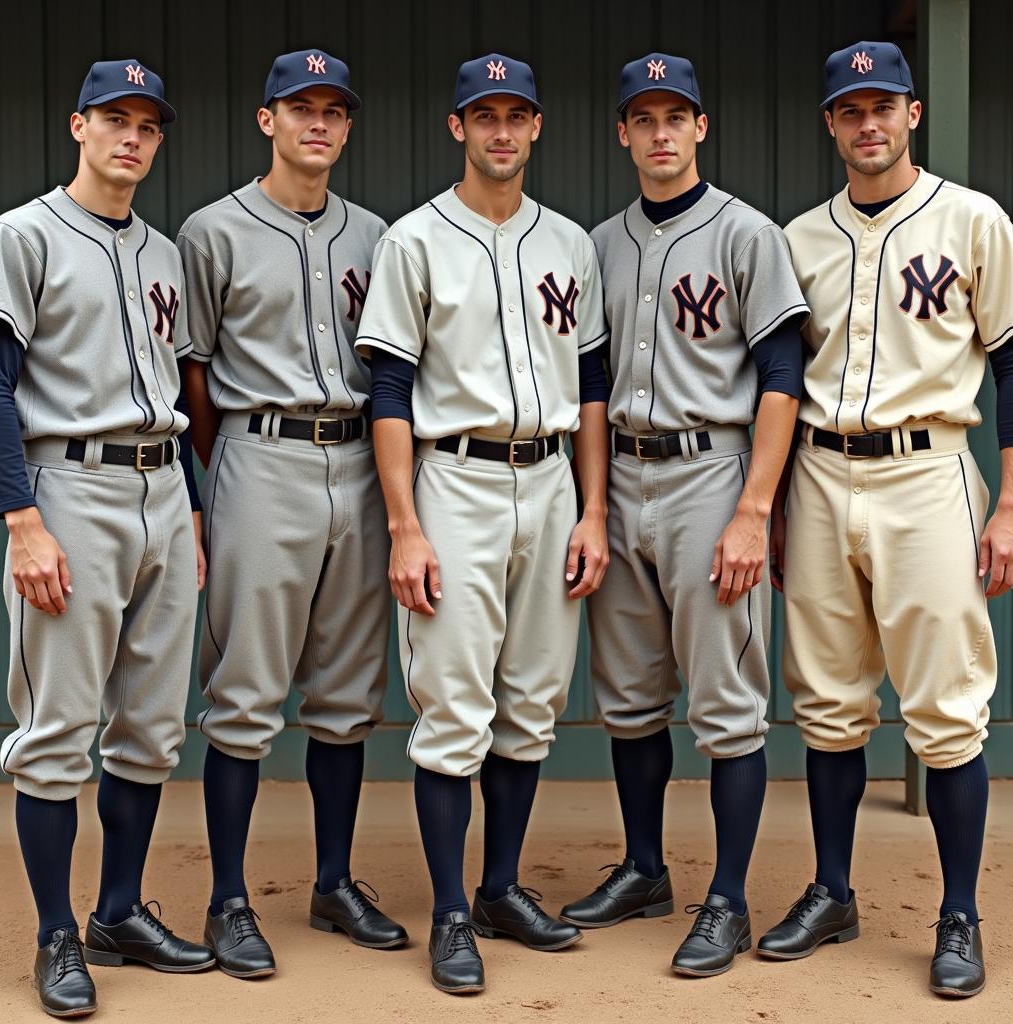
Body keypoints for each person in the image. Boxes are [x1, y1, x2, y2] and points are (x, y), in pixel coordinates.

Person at [757, 40, 1013, 1000]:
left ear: (913, 114)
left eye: (884, 105)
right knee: (827, 702)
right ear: (831, 124)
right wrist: (770, 503)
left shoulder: (975, 219)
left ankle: (959, 915)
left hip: (927, 471)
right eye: (850, 108)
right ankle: (831, 892)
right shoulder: (798, 238)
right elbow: (779, 381)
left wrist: (1012, 505)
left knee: (947, 711)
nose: (868, 122)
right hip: (821, 474)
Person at [355, 52, 611, 994]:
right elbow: (388, 386)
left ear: (537, 126)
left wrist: (594, 509)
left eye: (517, 114)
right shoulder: (415, 240)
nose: (501, 130)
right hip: (453, 479)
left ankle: (503, 886)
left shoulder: (570, 243)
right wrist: (404, 525)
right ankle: (453, 912)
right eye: (483, 115)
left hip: (550, 480)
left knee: (532, 700)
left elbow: (589, 385)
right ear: (456, 127)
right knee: (454, 707)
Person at [558, 53, 808, 978]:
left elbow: (783, 376)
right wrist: (593, 505)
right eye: (643, 117)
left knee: (728, 708)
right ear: (622, 132)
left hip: (713, 473)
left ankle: (730, 901)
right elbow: (587, 380)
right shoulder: (599, 243)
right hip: (621, 476)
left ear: (702, 127)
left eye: (677, 115)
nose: (661, 131)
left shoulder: (749, 233)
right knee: (628, 701)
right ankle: (644, 868)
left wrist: (755, 509)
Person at [0, 59, 214, 1018]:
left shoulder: (163, 253)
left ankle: (120, 911)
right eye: (114, 119)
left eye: (147, 125)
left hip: (163, 488)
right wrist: (22, 521)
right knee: (57, 733)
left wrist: (195, 511)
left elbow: (174, 397)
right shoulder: (23, 234)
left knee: (152, 730)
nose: (131, 136)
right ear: (78, 127)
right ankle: (54, 935)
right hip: (67, 486)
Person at [178, 48, 406, 980]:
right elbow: (191, 373)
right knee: (243, 697)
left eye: (333, 109)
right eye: (298, 106)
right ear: (266, 119)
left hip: (356, 457)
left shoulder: (377, 234)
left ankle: (334, 882)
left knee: (347, 696)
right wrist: (213, 479)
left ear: (348, 127)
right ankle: (229, 898)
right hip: (258, 454)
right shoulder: (210, 230)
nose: (317, 122)